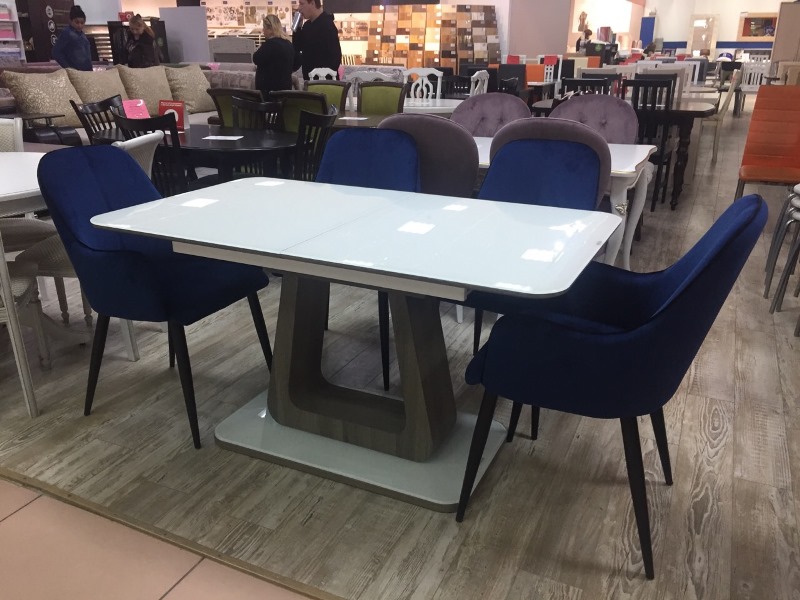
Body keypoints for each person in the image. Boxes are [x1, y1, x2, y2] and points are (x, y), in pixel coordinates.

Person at [292, 0, 342, 80]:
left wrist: (321, 75)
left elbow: (335, 57)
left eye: (302, 4)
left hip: (324, 82)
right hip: (310, 80)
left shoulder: (327, 25)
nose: (299, 8)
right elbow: (297, 47)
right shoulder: (307, 25)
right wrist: (297, 27)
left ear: (312, 3)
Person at [253, 14, 295, 97]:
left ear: (270, 29)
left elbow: (256, 59)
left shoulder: (269, 44)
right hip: (286, 89)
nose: (263, 30)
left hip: (269, 91)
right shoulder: (288, 43)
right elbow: (297, 61)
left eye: (264, 27)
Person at [51, 5, 92, 71]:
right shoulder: (67, 33)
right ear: (71, 21)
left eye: (82, 23)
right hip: (76, 71)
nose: (80, 25)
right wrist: (68, 67)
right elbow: (56, 52)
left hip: (87, 71)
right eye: (77, 22)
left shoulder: (82, 34)